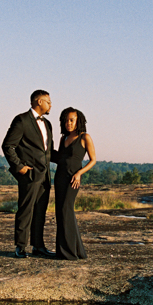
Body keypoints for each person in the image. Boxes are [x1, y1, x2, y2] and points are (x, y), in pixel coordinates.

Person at [2, 90, 56, 258]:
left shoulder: (48, 124)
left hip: (45, 176)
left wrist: (72, 160)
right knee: (25, 210)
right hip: (29, 175)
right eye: (48, 101)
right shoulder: (22, 120)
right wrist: (20, 167)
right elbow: (8, 146)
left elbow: (49, 152)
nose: (51, 104)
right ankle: (20, 246)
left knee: (41, 211)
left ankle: (38, 246)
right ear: (39, 102)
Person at [54, 107, 96, 260]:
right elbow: (59, 158)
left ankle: (70, 252)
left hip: (73, 178)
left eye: (71, 120)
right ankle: (67, 250)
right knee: (60, 211)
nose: (68, 123)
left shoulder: (85, 137)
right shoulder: (63, 138)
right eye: (65, 120)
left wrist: (79, 173)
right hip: (59, 177)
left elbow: (93, 160)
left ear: (78, 121)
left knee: (67, 209)